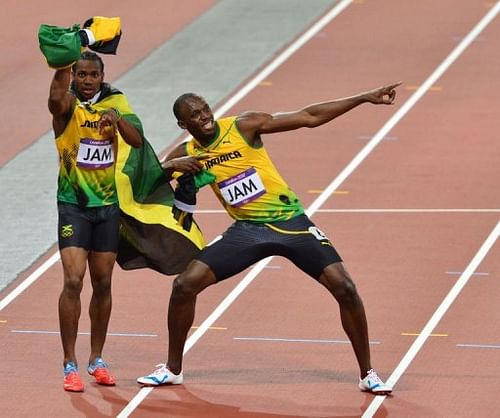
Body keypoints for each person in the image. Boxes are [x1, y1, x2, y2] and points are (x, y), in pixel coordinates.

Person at [137, 82, 401, 394]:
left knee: (345, 287)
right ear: (183, 124)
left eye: (205, 108)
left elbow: (308, 116)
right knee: (184, 286)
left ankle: (367, 373)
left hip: (290, 222)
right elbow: (147, 184)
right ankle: (172, 369)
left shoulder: (243, 126)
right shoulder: (188, 153)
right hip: (247, 231)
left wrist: (363, 97)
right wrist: (171, 166)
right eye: (195, 115)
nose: (204, 116)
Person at [48, 51, 143, 392]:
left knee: (103, 283)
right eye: (81, 74)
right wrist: (60, 62)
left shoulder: (116, 103)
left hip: (107, 207)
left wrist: (117, 119)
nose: (87, 80)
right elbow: (55, 100)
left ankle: (97, 359)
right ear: (74, 76)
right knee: (73, 280)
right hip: (73, 205)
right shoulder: (68, 107)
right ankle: (69, 363)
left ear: (102, 76)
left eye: (93, 74)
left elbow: (137, 141)